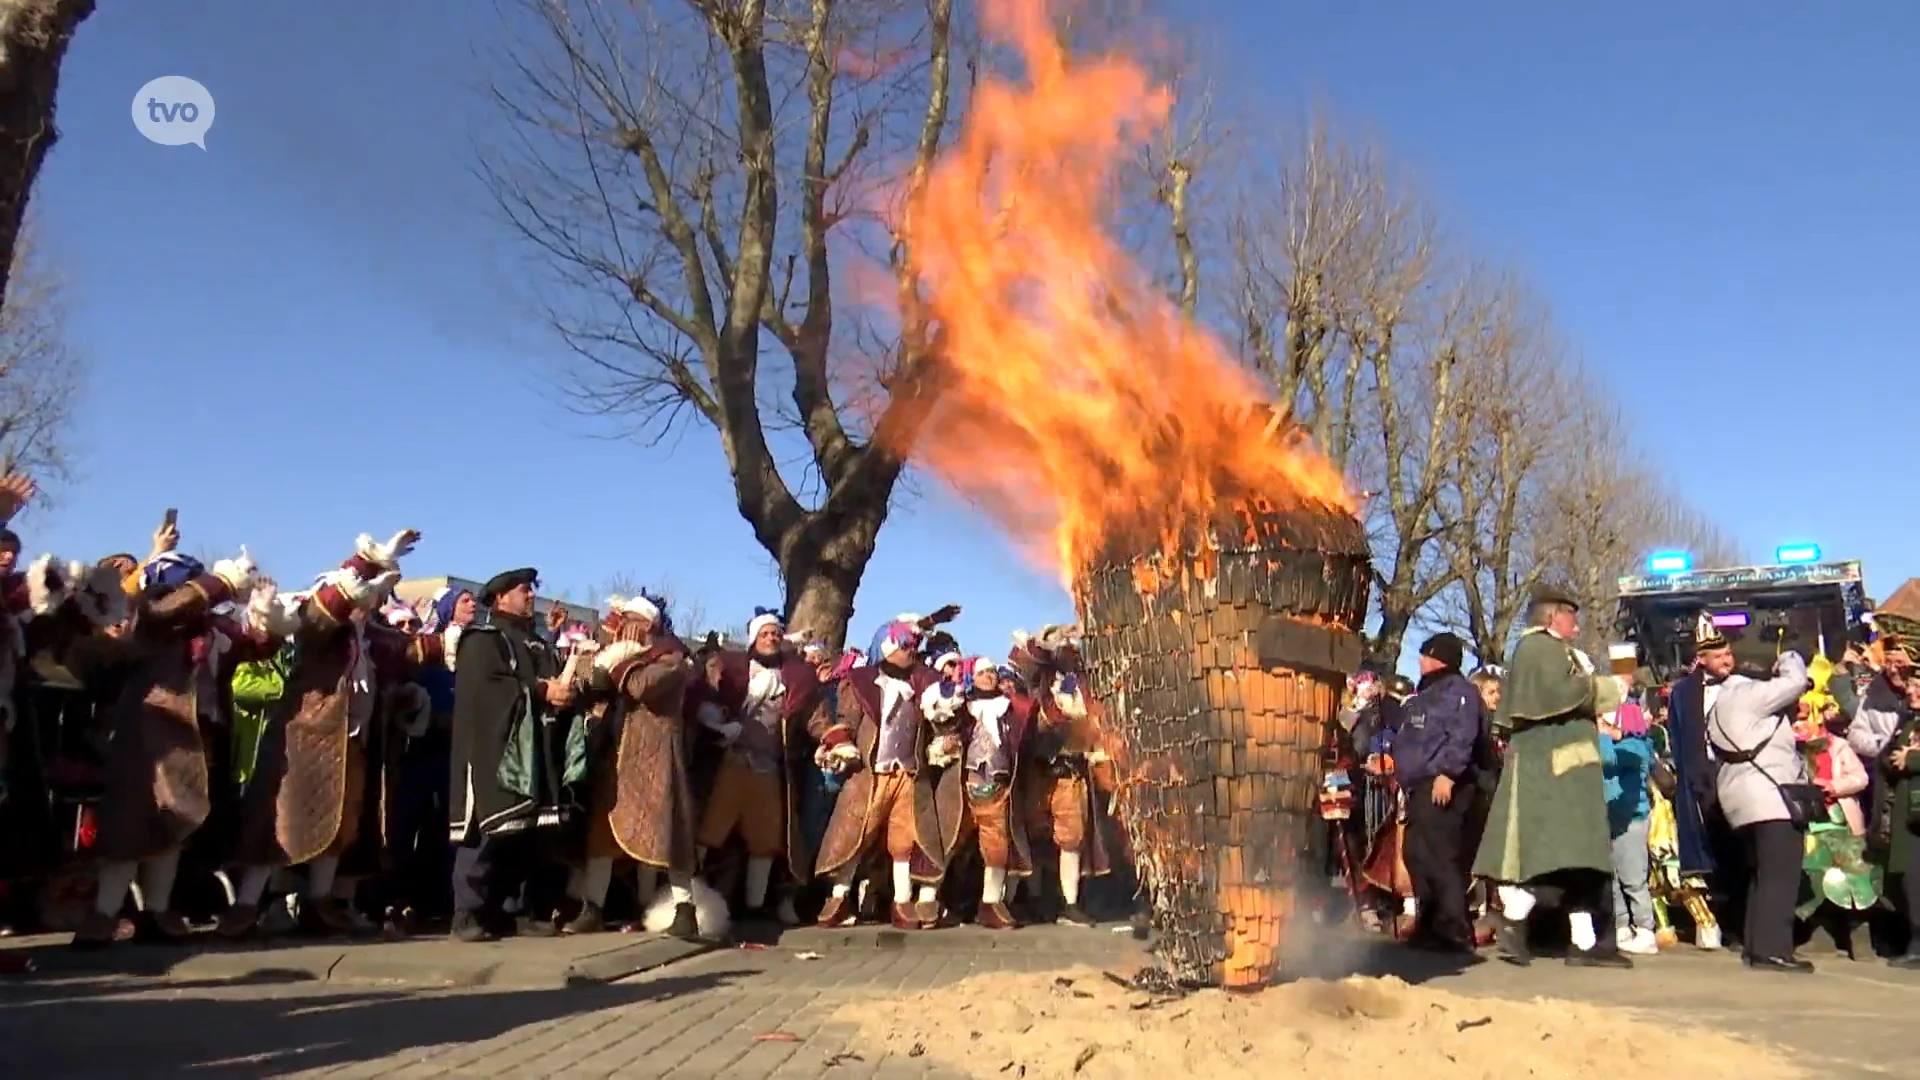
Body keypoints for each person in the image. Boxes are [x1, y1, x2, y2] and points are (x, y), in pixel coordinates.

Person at [1472, 585, 1632, 968]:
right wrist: (1611, 687)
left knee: (1579, 861)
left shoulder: (1552, 651)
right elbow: (1561, 693)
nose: (1576, 624)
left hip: (1567, 770)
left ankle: (1584, 943)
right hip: (1553, 773)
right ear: (1551, 616)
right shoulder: (1539, 648)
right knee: (1563, 858)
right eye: (1571, 616)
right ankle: (1514, 919)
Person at [446, 567, 580, 942]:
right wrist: (541, 690)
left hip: (536, 752)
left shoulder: (539, 643)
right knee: (489, 829)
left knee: (529, 835)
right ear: (500, 597)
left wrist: (568, 692)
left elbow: (553, 683)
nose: (531, 595)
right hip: (495, 752)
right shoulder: (483, 639)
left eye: (532, 590)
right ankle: (467, 912)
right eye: (524, 590)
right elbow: (488, 689)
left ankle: (515, 910)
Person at [569, 593, 703, 938]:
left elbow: (642, 686)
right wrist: (600, 659)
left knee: (668, 833)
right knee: (603, 833)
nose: (624, 627)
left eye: (633, 621)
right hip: (617, 758)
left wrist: (616, 661)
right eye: (623, 619)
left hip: (656, 757)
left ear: (650, 626)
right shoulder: (621, 654)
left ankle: (685, 911)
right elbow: (586, 680)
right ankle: (593, 908)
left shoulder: (673, 657)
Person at [690, 609, 824, 924]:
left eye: (776, 634)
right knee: (708, 831)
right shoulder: (733, 671)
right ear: (753, 639)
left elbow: (816, 719)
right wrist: (719, 725)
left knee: (765, 841)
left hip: (768, 768)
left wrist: (835, 741)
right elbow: (703, 700)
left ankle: (753, 907)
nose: (771, 639)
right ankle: (690, 900)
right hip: (731, 763)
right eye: (764, 634)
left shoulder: (796, 679)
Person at [1700, 622, 1814, 973]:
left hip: (1738, 799)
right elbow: (1795, 682)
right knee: (1781, 875)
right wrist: (1790, 657)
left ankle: (1755, 946)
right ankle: (1773, 950)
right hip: (1769, 796)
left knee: (1761, 875)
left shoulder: (1719, 704)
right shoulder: (1751, 694)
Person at [1393, 632, 1482, 954]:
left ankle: (1455, 929)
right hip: (1417, 784)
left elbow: (1462, 734)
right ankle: (1429, 924)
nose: (1419, 660)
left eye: (1424, 654)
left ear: (1439, 658)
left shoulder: (1460, 692)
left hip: (1442, 784)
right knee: (1416, 854)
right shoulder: (1424, 694)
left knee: (1441, 856)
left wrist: (1448, 773)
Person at [1598, 698, 1657, 955]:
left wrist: (1602, 735)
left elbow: (1607, 759)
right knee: (1612, 878)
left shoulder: (1636, 747)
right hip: (1607, 818)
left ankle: (1645, 930)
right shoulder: (1615, 741)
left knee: (1634, 879)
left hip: (1632, 820)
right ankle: (1621, 926)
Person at [1874, 651, 1920, 969]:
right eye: (1912, 686)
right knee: (1910, 881)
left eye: (1918, 687)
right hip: (1910, 813)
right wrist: (1896, 756)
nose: (1911, 692)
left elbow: (1909, 759)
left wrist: (1913, 759)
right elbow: (1887, 757)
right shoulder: (1909, 722)